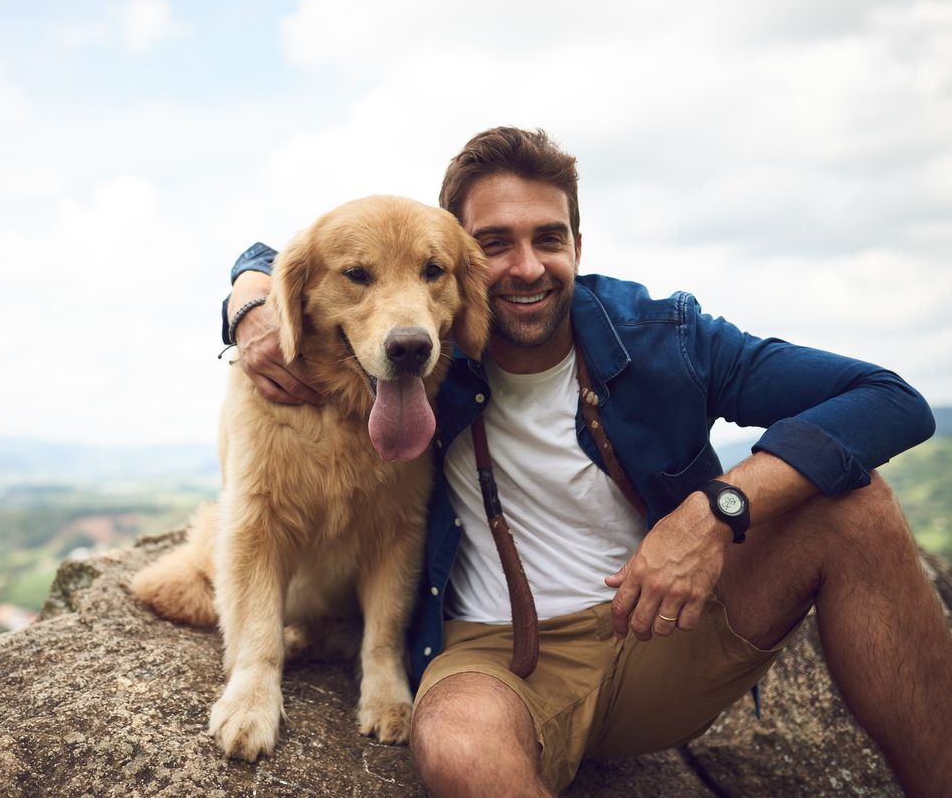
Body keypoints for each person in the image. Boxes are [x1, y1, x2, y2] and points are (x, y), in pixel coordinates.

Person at [221, 127, 950, 796]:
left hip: (660, 630)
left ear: (578, 243)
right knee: (456, 746)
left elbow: (890, 398)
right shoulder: (420, 359)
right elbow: (320, 260)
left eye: (549, 237)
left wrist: (715, 509)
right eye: (497, 243)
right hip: (495, 656)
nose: (527, 267)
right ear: (470, 265)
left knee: (856, 506)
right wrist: (249, 299)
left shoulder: (666, 338)